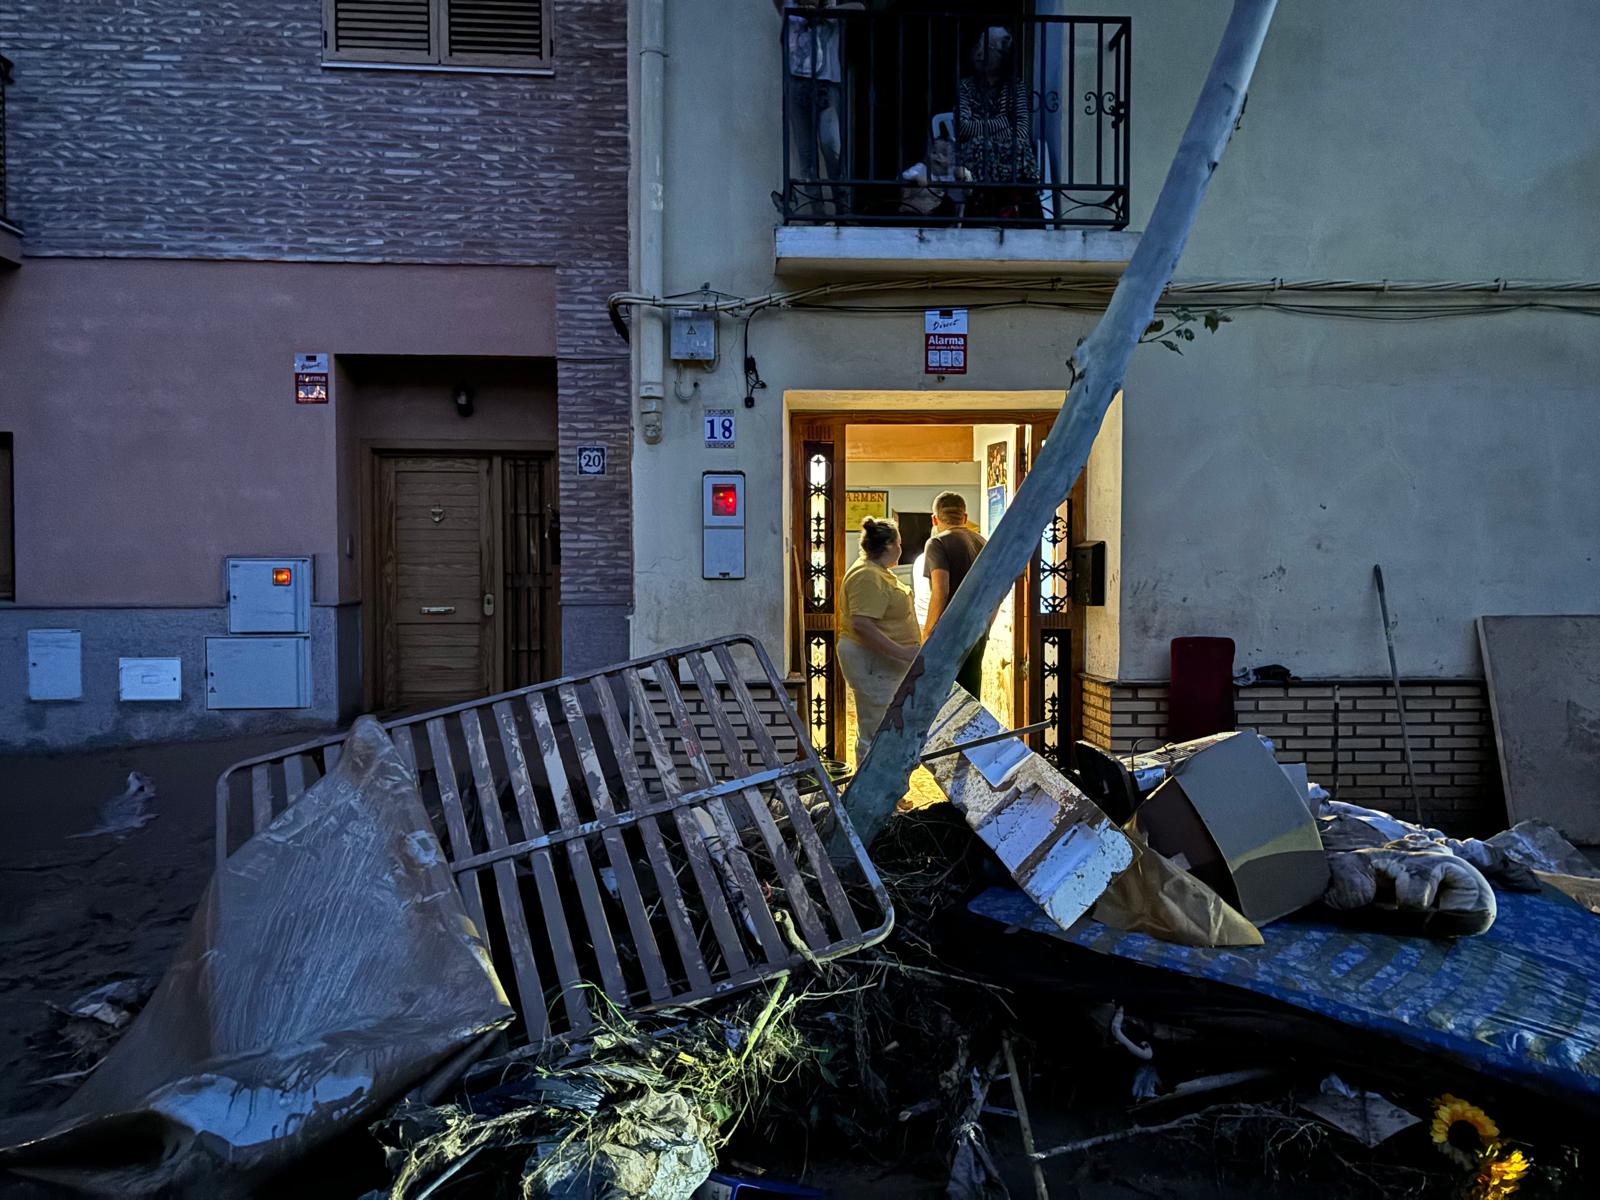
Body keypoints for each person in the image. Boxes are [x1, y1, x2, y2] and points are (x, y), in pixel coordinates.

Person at [838, 517, 921, 765]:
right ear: (887, 546)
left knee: (882, 721)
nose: (900, 548)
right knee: (876, 725)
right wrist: (902, 653)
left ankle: (880, 789)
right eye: (898, 543)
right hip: (872, 661)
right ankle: (869, 794)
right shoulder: (867, 576)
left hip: (884, 663)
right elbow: (862, 625)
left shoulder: (878, 573)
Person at [775, 0, 862, 217]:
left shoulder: (831, 9)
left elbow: (860, 8)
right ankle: (818, 213)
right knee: (807, 156)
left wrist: (823, 12)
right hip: (798, 85)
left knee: (831, 144)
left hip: (826, 85)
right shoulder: (790, 7)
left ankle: (843, 208)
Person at [956, 25, 1041, 221]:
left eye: (987, 47)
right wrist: (1003, 122)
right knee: (978, 146)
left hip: (1008, 160)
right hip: (973, 159)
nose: (979, 52)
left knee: (1016, 148)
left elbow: (1021, 133)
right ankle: (984, 207)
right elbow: (962, 128)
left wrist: (983, 130)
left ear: (1001, 55)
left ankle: (1011, 208)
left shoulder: (1015, 87)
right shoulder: (966, 87)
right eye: (979, 44)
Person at [921, 491, 988, 699]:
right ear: (965, 518)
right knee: (970, 699)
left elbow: (941, 590)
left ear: (935, 519)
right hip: (976, 631)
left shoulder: (937, 543)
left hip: (947, 635)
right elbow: (995, 591)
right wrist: (986, 627)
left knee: (943, 702)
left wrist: (927, 634)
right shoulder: (982, 542)